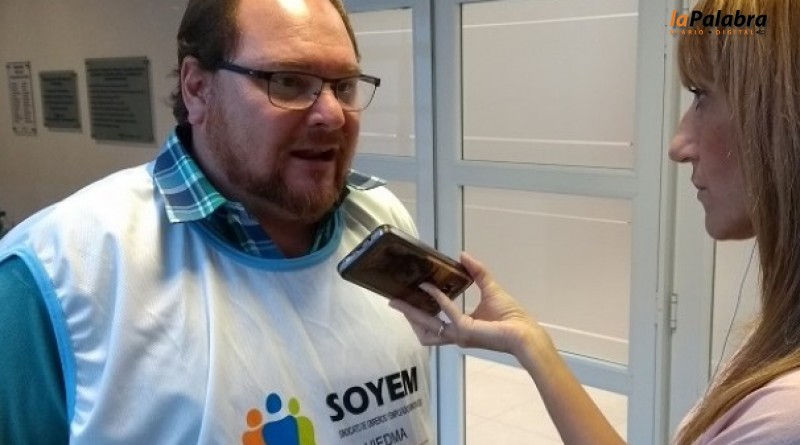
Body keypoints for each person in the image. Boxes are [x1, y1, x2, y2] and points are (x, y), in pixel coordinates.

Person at [0, 0, 433, 443]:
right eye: (288, 81)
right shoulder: (57, 271)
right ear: (197, 89)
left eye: (344, 86)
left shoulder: (381, 219)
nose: (334, 114)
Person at [391, 0, 800, 444]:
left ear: (783, 110)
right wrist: (527, 339)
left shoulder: (784, 419)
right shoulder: (778, 345)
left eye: (701, 96)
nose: (678, 145)